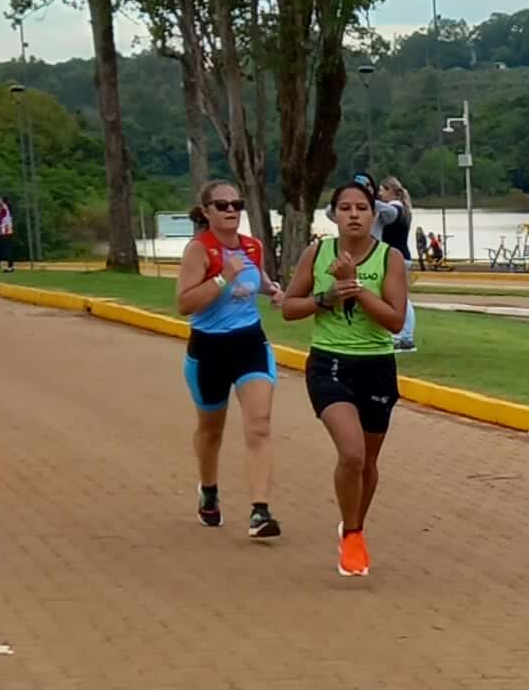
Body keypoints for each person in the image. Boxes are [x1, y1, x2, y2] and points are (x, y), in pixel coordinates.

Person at [281, 177, 410, 581]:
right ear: (334, 215)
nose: (354, 215)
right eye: (346, 208)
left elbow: (394, 321)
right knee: (351, 453)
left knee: (368, 462)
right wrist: (326, 297)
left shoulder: (389, 258)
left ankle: (353, 525)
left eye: (362, 208)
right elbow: (289, 308)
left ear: (374, 215)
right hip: (330, 363)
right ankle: (353, 534)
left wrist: (353, 287)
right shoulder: (317, 254)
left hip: (376, 365)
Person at [174, 185, 282, 538]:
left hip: (249, 342)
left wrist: (273, 290)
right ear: (206, 211)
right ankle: (208, 490)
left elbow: (257, 278)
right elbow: (185, 303)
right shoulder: (198, 250)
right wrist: (223, 277)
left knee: (260, 424)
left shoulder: (252, 246)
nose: (231, 210)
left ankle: (260, 511)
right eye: (222, 205)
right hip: (209, 350)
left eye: (237, 204)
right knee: (211, 431)